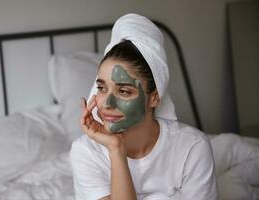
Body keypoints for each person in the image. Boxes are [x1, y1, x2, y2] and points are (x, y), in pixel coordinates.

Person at [70, 13, 218, 200]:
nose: (107, 104)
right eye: (101, 88)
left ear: (154, 98)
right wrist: (116, 148)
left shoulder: (192, 148)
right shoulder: (85, 152)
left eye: (123, 91)